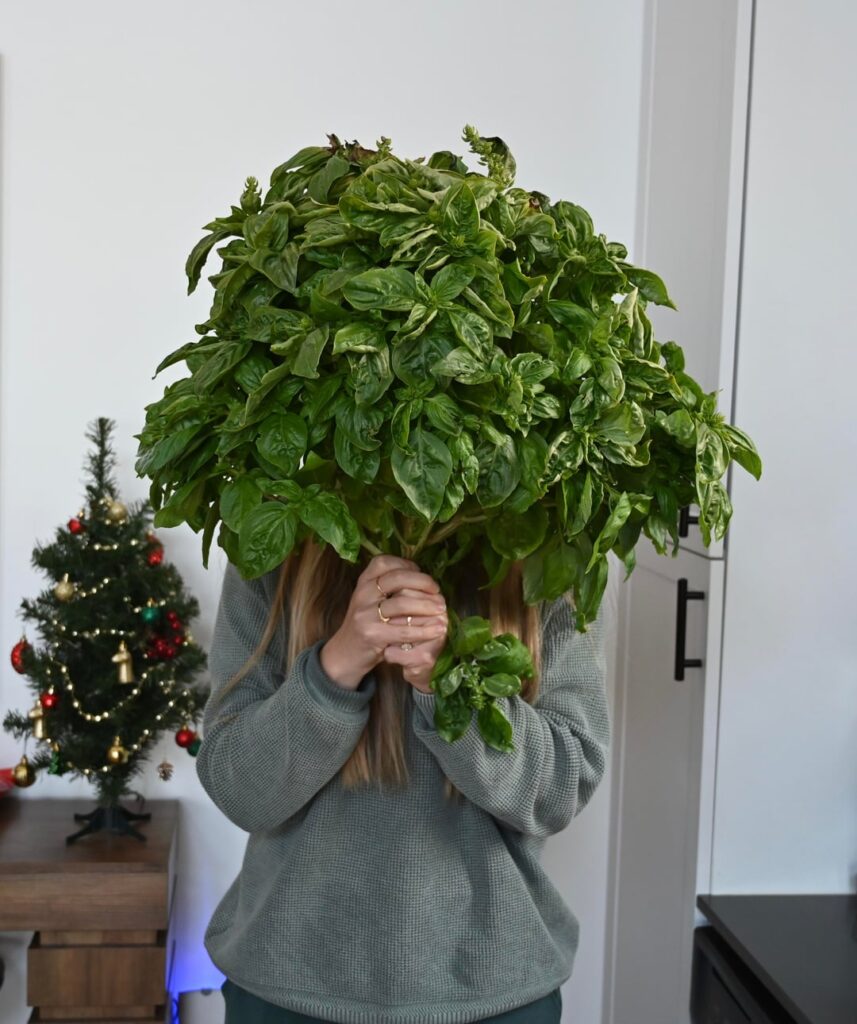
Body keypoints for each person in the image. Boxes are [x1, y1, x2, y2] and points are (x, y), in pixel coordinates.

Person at [195, 536, 612, 1024]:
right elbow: (237, 787)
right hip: (285, 991)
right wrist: (338, 663)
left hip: (495, 997)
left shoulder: (552, 553)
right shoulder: (275, 544)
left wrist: (450, 680)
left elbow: (560, 788)